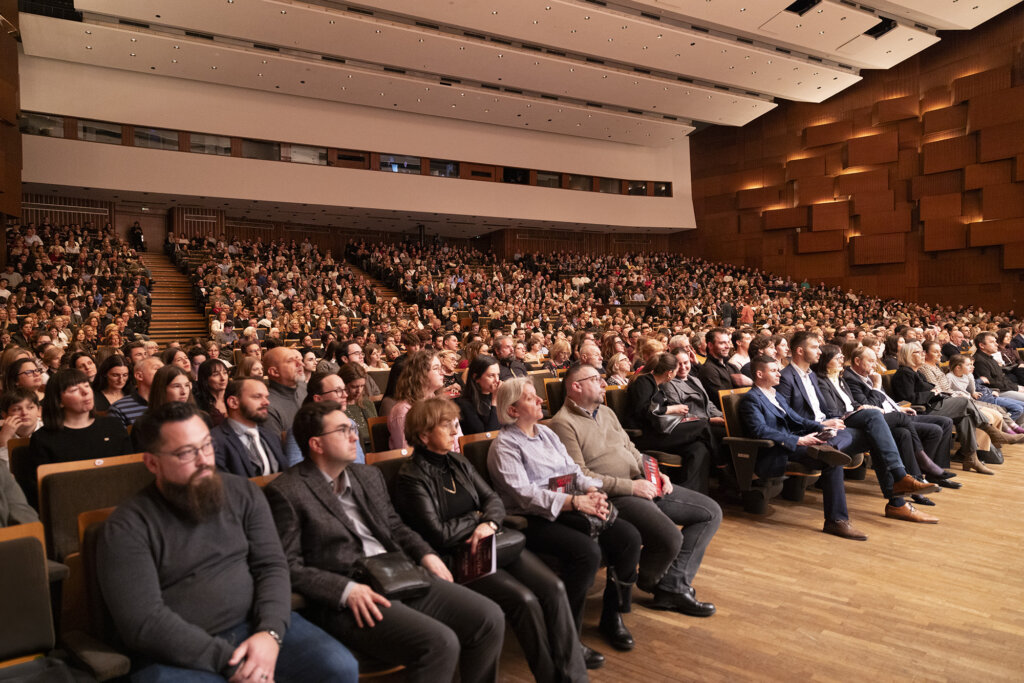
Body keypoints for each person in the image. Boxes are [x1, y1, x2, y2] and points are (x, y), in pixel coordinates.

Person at [96, 402, 357, 682]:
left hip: (256, 626)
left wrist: (270, 633)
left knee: (338, 667)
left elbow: (271, 566)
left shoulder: (243, 492)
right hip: (178, 653)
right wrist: (232, 662)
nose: (204, 460)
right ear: (152, 463)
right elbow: (144, 622)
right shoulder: (126, 527)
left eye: (207, 446)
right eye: (186, 453)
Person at [264, 401, 505, 682]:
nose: (355, 436)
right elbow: (288, 566)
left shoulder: (367, 475)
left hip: (397, 572)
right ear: (316, 444)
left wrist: (427, 555)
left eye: (352, 428)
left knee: (489, 618)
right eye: (343, 430)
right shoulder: (287, 492)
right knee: (440, 642)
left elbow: (395, 526)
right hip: (352, 594)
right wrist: (345, 590)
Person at [395, 397, 592, 678]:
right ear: (424, 435)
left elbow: (493, 500)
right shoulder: (410, 477)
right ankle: (549, 676)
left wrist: (487, 522)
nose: (455, 431)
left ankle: (573, 676)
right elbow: (438, 533)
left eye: (454, 424)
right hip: (461, 555)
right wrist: (477, 520)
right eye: (446, 426)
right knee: (524, 600)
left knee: (554, 588)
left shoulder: (458, 461)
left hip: (495, 541)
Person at [551, 364, 721, 617]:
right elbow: (580, 476)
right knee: (669, 537)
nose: (603, 384)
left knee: (710, 512)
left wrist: (655, 474)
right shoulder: (562, 424)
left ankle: (671, 585)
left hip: (642, 484)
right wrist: (633, 486)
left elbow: (631, 449)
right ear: (576, 386)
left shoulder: (606, 412)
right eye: (596, 379)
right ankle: (657, 583)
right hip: (616, 495)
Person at [488, 378, 642, 652]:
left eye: (537, 396)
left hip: (571, 507)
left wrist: (593, 491)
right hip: (532, 519)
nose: (540, 400)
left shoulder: (545, 433)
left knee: (629, 537)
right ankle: (566, 636)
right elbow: (525, 495)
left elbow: (574, 472)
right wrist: (576, 502)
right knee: (587, 553)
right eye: (530, 398)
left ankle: (612, 615)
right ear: (512, 410)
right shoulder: (504, 446)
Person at [738, 356, 868, 540]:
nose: (779, 373)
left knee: (845, 433)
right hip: (779, 449)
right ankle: (836, 521)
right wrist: (798, 440)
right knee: (832, 461)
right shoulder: (751, 399)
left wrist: (822, 427)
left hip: (797, 440)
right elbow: (760, 430)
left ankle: (828, 446)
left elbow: (797, 419)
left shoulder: (775, 394)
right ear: (760, 374)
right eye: (774, 370)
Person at [843, 346, 959, 487]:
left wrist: (899, 408)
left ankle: (935, 473)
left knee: (946, 422)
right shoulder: (851, 379)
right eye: (871, 361)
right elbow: (869, 406)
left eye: (875, 361)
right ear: (857, 361)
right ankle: (921, 473)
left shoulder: (869, 375)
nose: (874, 365)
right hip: (884, 419)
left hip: (896, 413)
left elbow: (884, 399)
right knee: (934, 430)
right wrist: (876, 385)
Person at [21, 369, 131, 508]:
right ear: (59, 401)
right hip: (69, 508)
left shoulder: (113, 426)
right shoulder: (44, 438)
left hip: (119, 504)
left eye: (86, 385)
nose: (85, 392)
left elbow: (129, 472)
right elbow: (41, 492)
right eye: (74, 389)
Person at [891, 342, 997, 474]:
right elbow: (907, 398)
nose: (923, 354)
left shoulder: (917, 372)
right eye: (918, 352)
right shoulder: (904, 373)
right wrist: (931, 393)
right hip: (921, 410)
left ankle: (971, 458)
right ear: (908, 355)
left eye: (922, 351)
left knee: (966, 417)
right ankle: (989, 430)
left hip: (933, 404)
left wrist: (935, 392)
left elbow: (926, 391)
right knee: (964, 402)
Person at [626, 353, 712, 494]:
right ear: (669, 373)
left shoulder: (657, 384)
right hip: (646, 435)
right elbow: (644, 411)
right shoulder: (643, 382)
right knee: (702, 425)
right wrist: (672, 409)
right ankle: (723, 464)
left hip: (659, 431)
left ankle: (690, 494)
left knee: (699, 448)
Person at [281, 372, 365, 467]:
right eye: (338, 391)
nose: (345, 395)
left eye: (345, 389)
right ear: (318, 398)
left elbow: (359, 464)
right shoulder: (300, 430)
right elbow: (296, 470)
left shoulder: (350, 424)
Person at [211, 379, 289, 478]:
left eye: (266, 397)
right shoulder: (214, 441)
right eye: (257, 397)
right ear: (233, 402)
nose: (267, 402)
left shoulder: (271, 436)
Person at [389, 350, 462, 450]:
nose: (442, 372)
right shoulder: (403, 411)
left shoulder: (444, 403)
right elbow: (408, 453)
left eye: (441, 368)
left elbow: (458, 443)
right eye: (436, 368)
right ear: (420, 375)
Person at [263, 347, 307, 435]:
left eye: (298, 359)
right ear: (275, 372)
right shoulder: (268, 407)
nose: (300, 363)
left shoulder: (304, 387)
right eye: (290, 361)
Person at [110, 356, 163, 429]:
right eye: (157, 369)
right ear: (139, 376)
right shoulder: (119, 408)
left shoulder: (171, 401)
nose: (164, 373)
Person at [456, 355, 501, 435]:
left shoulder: (497, 396)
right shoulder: (465, 404)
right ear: (476, 378)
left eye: (498, 375)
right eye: (491, 376)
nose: (497, 380)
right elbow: (485, 437)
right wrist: (495, 401)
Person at [0, 388, 43, 470]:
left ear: (38, 410)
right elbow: (4, 475)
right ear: (4, 415)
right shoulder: (3, 435)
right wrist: (4, 441)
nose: (24, 413)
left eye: (30, 407)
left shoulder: (50, 430)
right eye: (17, 409)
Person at [340, 362, 377, 454]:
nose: (359, 391)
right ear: (343, 385)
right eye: (354, 387)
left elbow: (377, 433)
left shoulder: (367, 403)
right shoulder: (338, 407)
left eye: (362, 386)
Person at [194, 358, 230, 427]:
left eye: (225, 373)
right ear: (205, 380)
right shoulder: (199, 405)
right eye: (216, 374)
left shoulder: (235, 397)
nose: (223, 378)